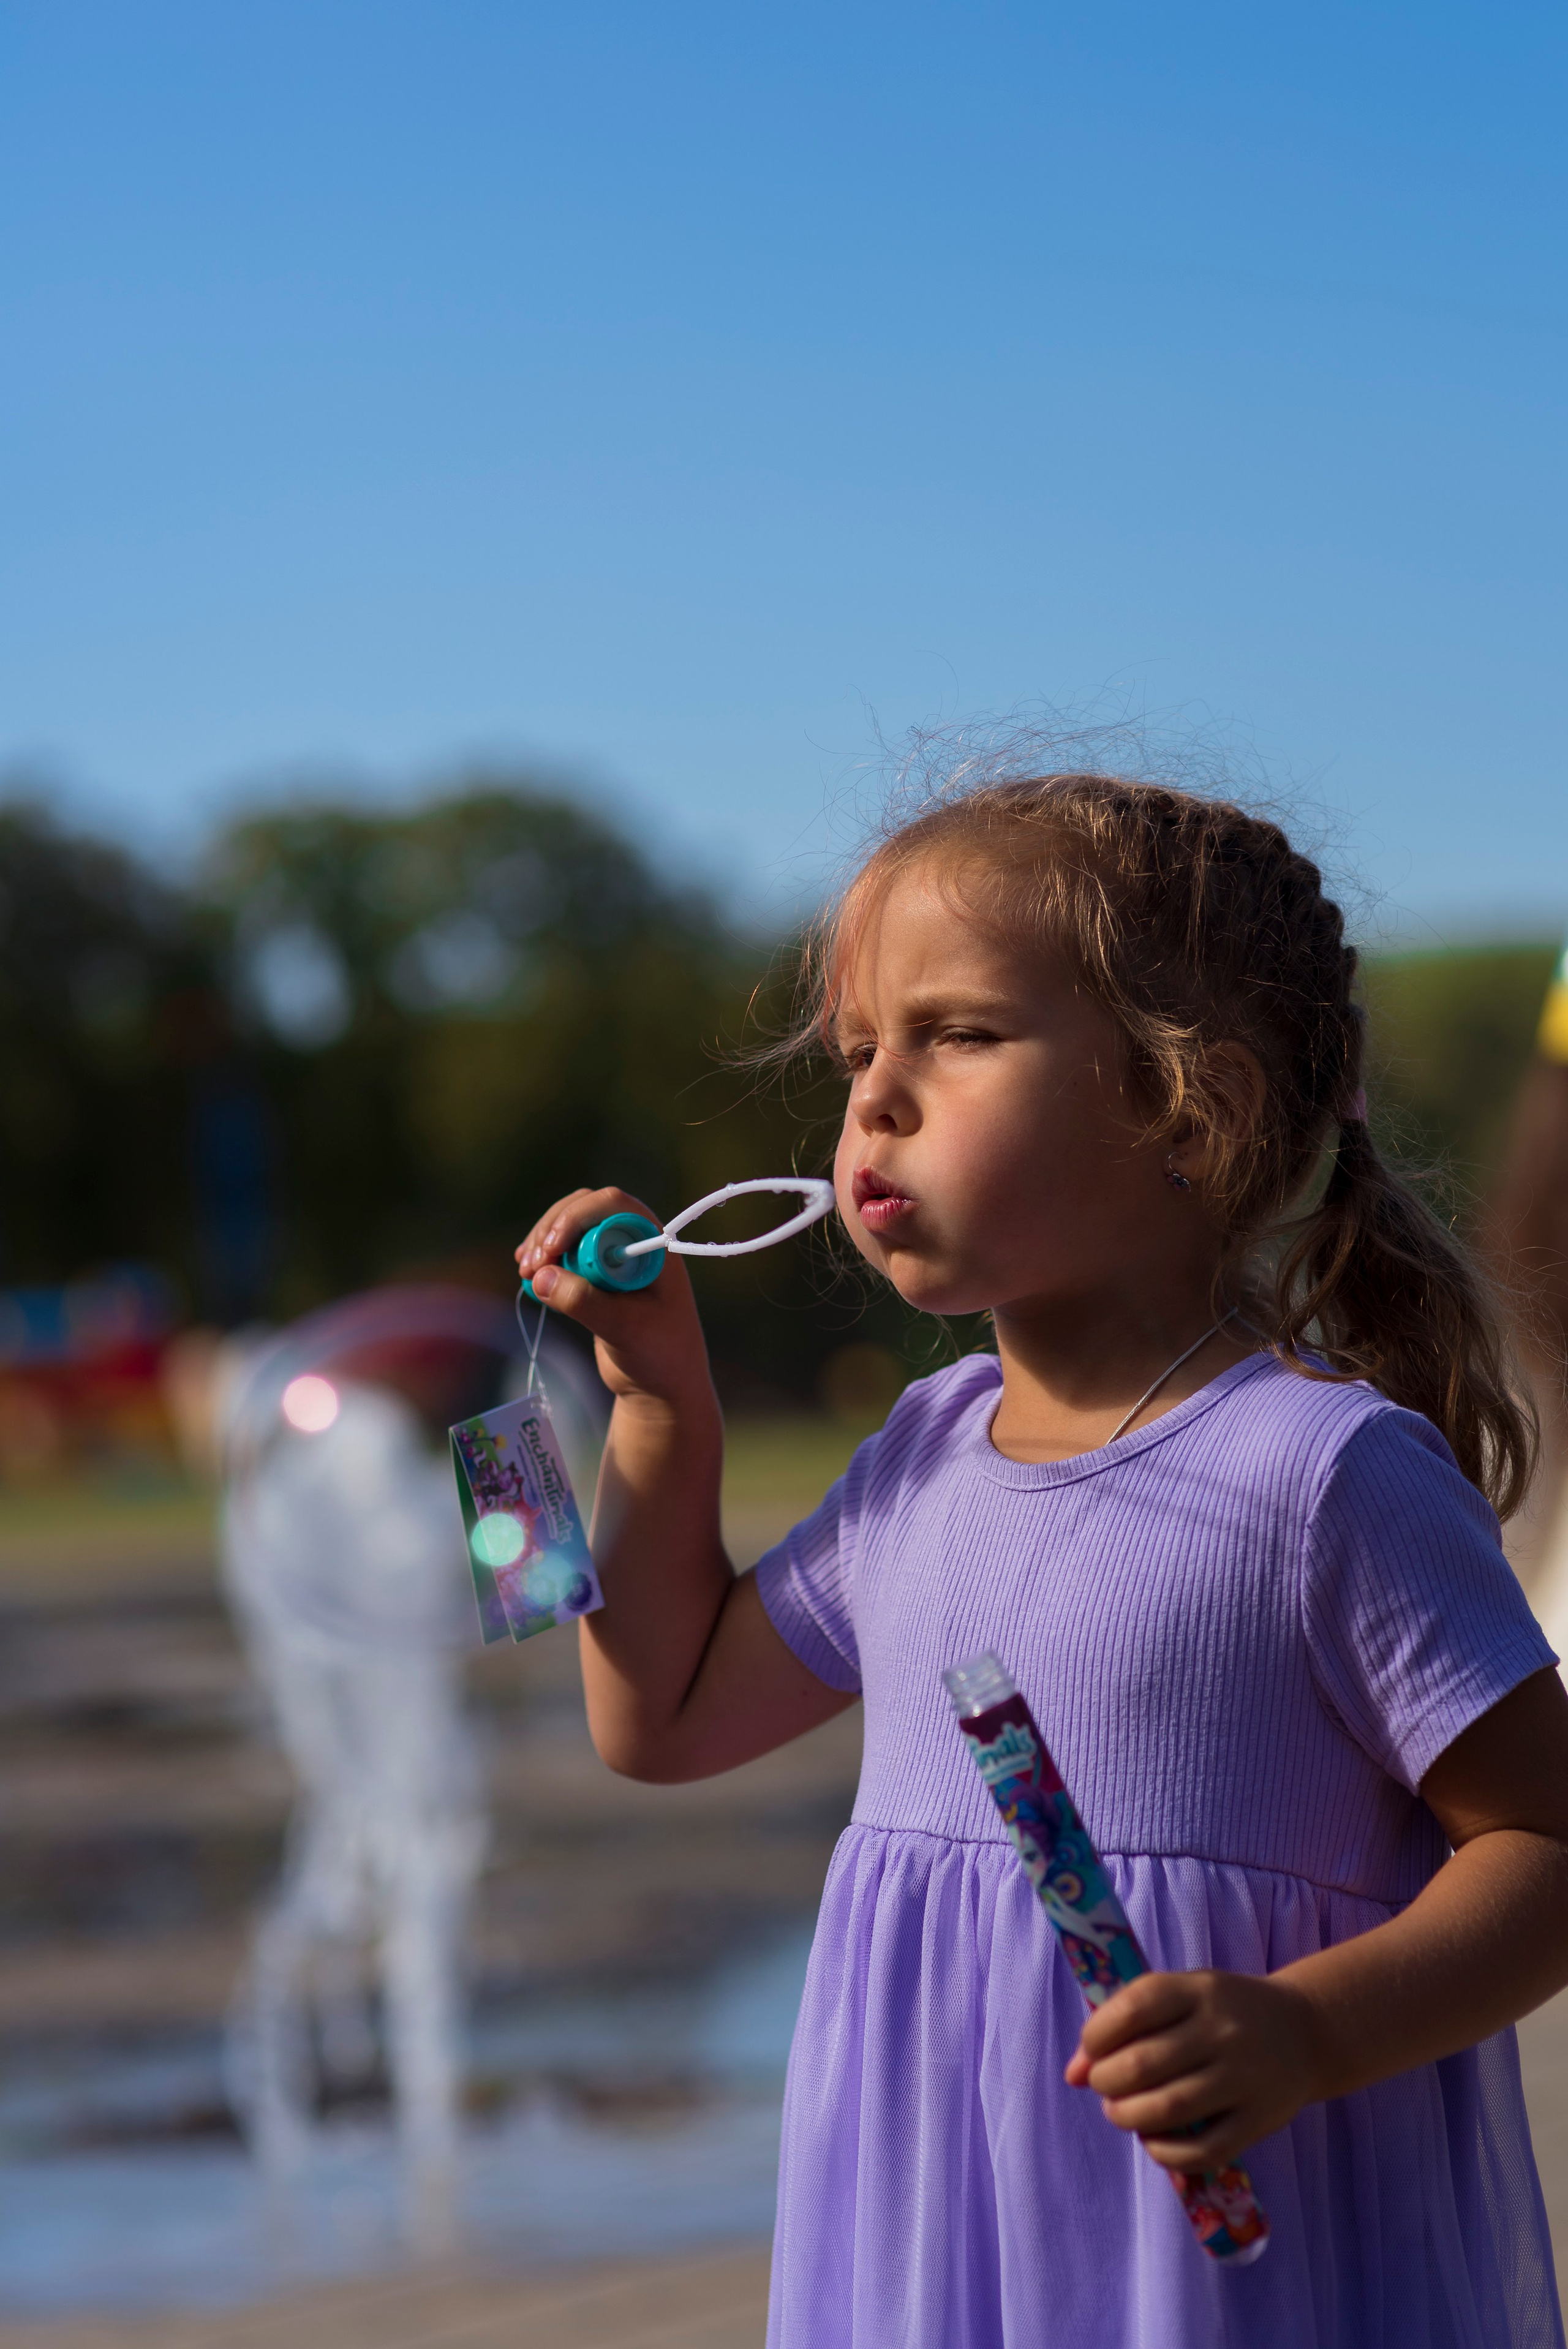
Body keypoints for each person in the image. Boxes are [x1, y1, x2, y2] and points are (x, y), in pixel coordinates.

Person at [516, 775, 1568, 2348]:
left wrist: (1304, 2029)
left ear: (1178, 1103)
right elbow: (660, 1715)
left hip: (1215, 2255)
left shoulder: (1323, 1475)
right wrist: (664, 1410)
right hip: (935, 2234)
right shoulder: (921, 1458)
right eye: (859, 1050)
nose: (874, 1098)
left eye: (954, 1033)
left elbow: (1545, 1849)